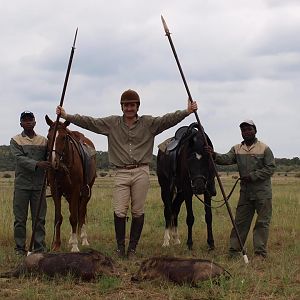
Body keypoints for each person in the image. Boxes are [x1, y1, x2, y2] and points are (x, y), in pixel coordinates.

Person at [56, 89, 198, 258]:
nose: (129, 108)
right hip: (121, 171)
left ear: (137, 106)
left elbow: (167, 120)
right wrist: (67, 116)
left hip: (141, 171)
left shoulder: (148, 123)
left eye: (132, 105)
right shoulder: (112, 123)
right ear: (121, 107)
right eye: (126, 105)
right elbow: (90, 122)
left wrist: (186, 112)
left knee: (138, 210)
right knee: (119, 210)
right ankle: (120, 247)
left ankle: (132, 249)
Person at [205, 120, 275, 259]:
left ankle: (260, 253)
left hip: (262, 193)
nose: (246, 132)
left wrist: (253, 176)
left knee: (262, 223)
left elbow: (271, 168)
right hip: (245, 193)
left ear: (255, 130)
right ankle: (234, 251)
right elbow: (226, 159)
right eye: (243, 130)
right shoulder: (237, 148)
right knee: (240, 223)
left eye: (249, 129)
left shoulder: (264, 148)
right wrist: (213, 154)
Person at [10, 111, 51, 255]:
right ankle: (20, 248)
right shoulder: (15, 140)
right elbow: (20, 159)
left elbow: (50, 157)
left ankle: (39, 247)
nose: (28, 122)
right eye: (25, 120)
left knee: (39, 219)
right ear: (21, 123)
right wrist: (37, 164)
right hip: (22, 185)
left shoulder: (44, 141)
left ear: (35, 122)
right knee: (20, 219)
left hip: (39, 186)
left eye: (30, 120)